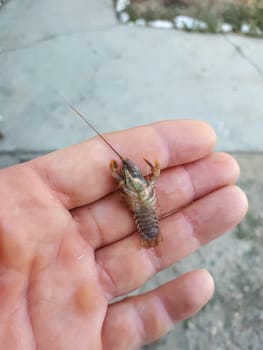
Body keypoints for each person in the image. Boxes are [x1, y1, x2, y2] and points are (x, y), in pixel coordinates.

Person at [0, 120, 247, 349]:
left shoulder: (126, 183)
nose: (129, 171)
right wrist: (144, 174)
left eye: (130, 171)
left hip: (145, 213)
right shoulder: (137, 182)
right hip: (146, 209)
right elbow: (145, 180)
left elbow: (124, 185)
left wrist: (126, 174)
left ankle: (150, 234)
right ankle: (150, 234)